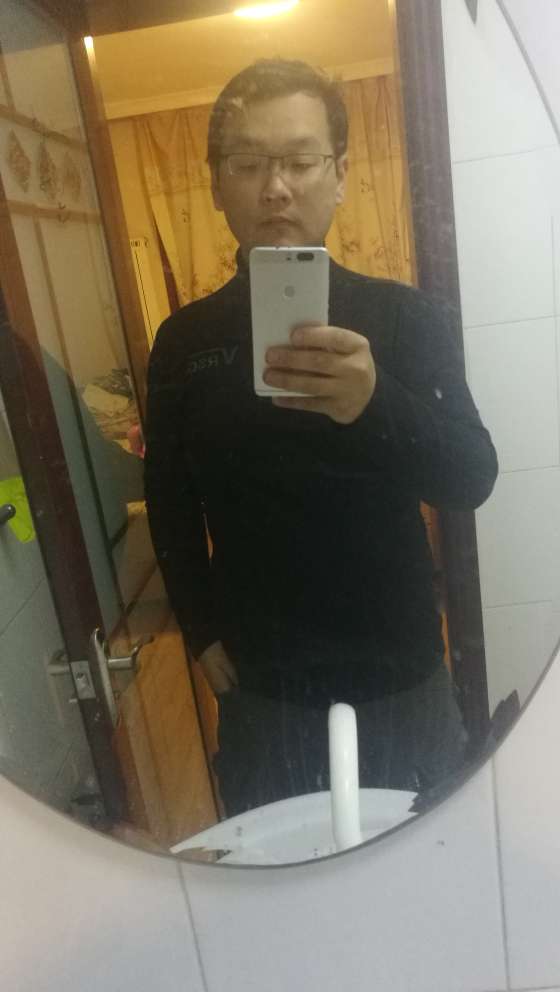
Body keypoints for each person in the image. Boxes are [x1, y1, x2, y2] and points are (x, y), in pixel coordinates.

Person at [144, 59, 498, 817]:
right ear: (216, 184)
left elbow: (470, 476)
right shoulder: (183, 342)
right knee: (280, 879)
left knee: (427, 867)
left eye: (301, 162)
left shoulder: (406, 318)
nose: (276, 188)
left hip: (401, 674)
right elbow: (169, 502)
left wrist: (374, 402)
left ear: (339, 175)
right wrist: (200, 630)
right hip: (263, 686)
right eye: (248, 163)